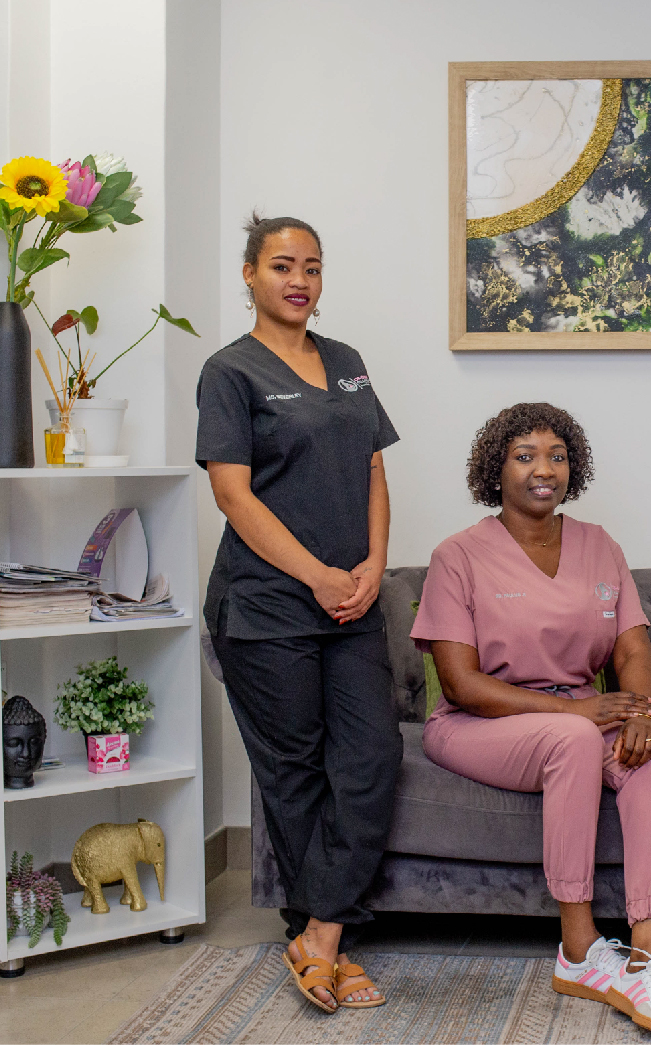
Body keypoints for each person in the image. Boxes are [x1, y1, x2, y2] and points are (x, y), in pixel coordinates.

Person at [411, 403, 651, 1041]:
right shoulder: (458, 556)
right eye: (525, 456)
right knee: (573, 737)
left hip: (579, 716)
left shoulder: (600, 545)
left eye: (557, 457)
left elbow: (633, 648)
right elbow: (461, 683)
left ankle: (647, 960)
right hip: (478, 722)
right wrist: (572, 711)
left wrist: (642, 712)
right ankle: (579, 950)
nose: (544, 470)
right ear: (496, 469)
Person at [198, 213, 400, 1013]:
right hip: (265, 605)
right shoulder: (229, 371)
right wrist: (316, 574)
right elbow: (232, 494)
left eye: (311, 266)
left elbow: (373, 468)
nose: (299, 280)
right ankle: (327, 941)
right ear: (249, 274)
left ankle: (319, 935)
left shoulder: (346, 362)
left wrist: (374, 563)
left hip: (350, 599)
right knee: (295, 772)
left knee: (371, 756)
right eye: (282, 264)